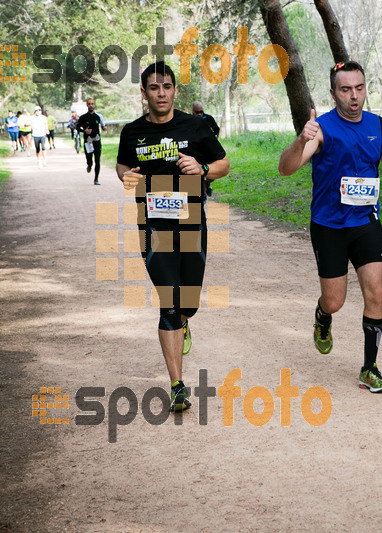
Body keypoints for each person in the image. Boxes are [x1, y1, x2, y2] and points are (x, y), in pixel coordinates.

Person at [278, 61, 382, 394]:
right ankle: (323, 316)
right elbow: (286, 169)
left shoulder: (379, 127)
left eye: (359, 88)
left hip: (366, 222)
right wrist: (300, 140)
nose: (354, 96)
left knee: (376, 293)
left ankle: (370, 368)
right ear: (334, 92)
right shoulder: (321, 128)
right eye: (346, 89)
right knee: (335, 300)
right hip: (329, 226)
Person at [116, 61, 229, 412]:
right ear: (144, 92)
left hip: (192, 220)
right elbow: (122, 165)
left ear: (175, 91)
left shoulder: (195, 126)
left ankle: (183, 321)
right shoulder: (132, 132)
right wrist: (127, 176)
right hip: (153, 226)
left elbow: (223, 164)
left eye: (167, 87)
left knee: (188, 304)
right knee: (170, 299)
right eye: (154, 87)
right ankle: (178, 385)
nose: (161, 93)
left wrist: (203, 169)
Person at [77, 98, 107, 184]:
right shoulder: (83, 117)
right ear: (87, 105)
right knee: (89, 159)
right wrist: (84, 131)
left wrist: (104, 128)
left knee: (97, 160)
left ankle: (96, 179)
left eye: (92, 104)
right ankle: (89, 164)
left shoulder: (98, 116)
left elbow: (103, 126)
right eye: (89, 104)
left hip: (96, 141)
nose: (91, 105)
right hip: (88, 142)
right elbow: (77, 128)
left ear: (94, 105)